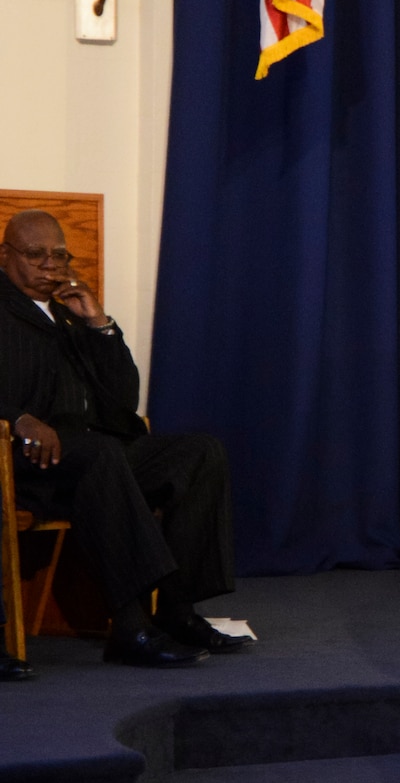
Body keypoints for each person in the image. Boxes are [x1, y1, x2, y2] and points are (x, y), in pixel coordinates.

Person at [0, 209, 252, 674]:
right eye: (36, 256)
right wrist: (17, 418)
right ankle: (130, 626)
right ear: (6, 255)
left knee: (198, 453)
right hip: (25, 460)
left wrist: (99, 325)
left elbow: (122, 401)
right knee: (101, 455)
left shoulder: (69, 313)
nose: (51, 266)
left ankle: (176, 610)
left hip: (96, 455)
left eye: (59, 255)